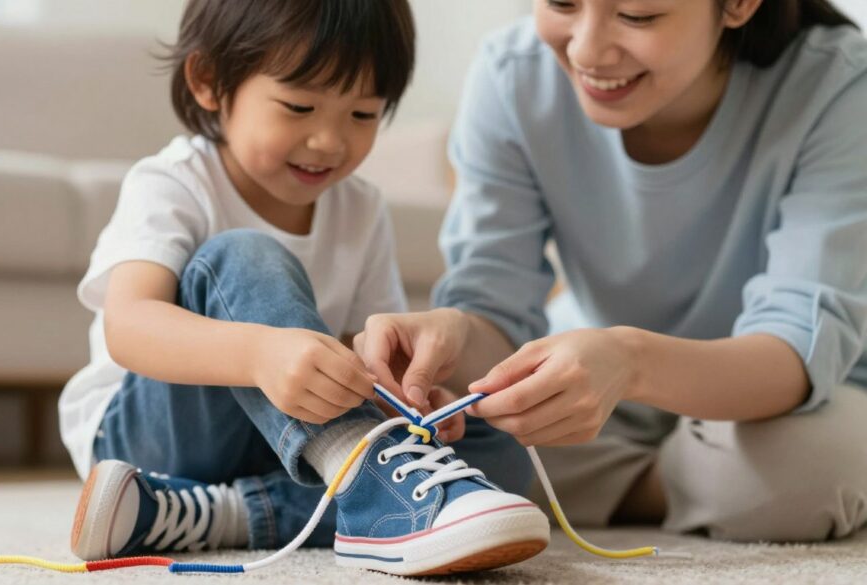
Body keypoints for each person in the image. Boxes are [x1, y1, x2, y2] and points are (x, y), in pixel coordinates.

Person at [58, 0, 548, 575]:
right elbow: (130, 325)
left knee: (506, 459)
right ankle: (361, 472)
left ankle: (223, 513)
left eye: (362, 115)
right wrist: (260, 352)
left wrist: (410, 404)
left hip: (284, 445)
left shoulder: (360, 207)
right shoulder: (172, 184)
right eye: (299, 106)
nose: (328, 142)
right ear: (209, 81)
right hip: (156, 437)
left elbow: (364, 352)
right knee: (242, 254)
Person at [356, 0, 867, 542]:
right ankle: (693, 484)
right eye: (562, 4)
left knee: (809, 467)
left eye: (638, 16)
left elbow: (796, 354)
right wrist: (457, 336)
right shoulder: (513, 76)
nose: (586, 50)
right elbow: (495, 308)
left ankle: (624, 487)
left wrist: (630, 362)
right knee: (433, 434)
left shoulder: (839, 88)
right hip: (604, 384)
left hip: (790, 396)